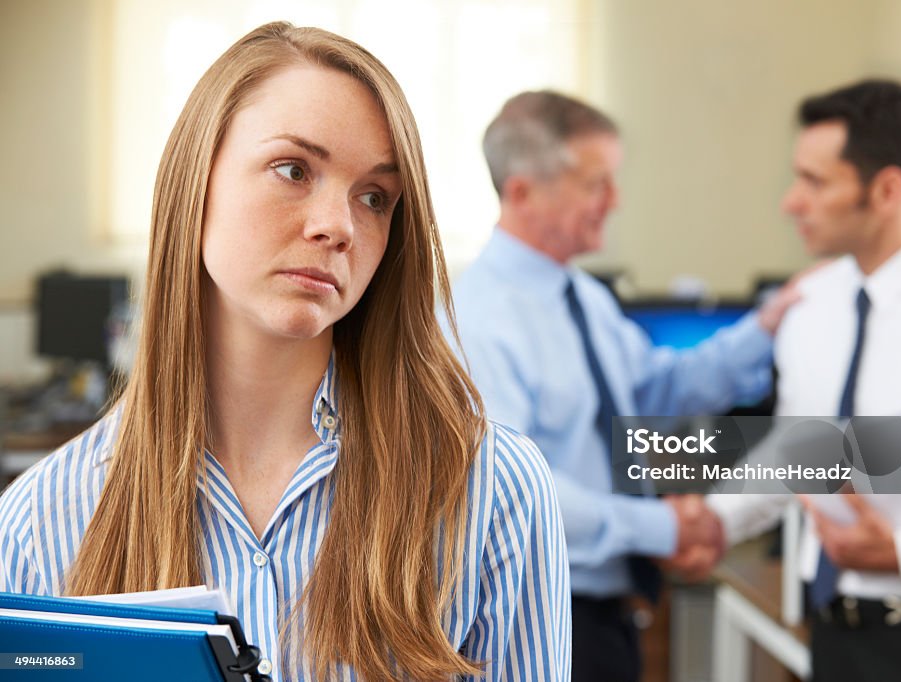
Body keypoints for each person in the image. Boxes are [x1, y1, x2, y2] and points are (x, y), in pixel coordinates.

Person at [0, 23, 571, 681]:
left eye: (375, 198)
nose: (338, 226)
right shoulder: (40, 522)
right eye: (293, 169)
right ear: (197, 181)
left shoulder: (494, 490)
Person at [443, 90, 797, 682]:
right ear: (523, 191)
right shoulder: (477, 319)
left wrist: (765, 327)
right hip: (537, 623)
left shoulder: (584, 298)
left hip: (606, 618)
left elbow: (660, 387)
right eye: (595, 183)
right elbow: (512, 492)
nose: (615, 200)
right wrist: (662, 528)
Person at [701, 79, 901, 682]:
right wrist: (716, 519)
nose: (791, 202)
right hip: (834, 632)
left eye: (815, 181)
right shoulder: (814, 302)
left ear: (887, 190)